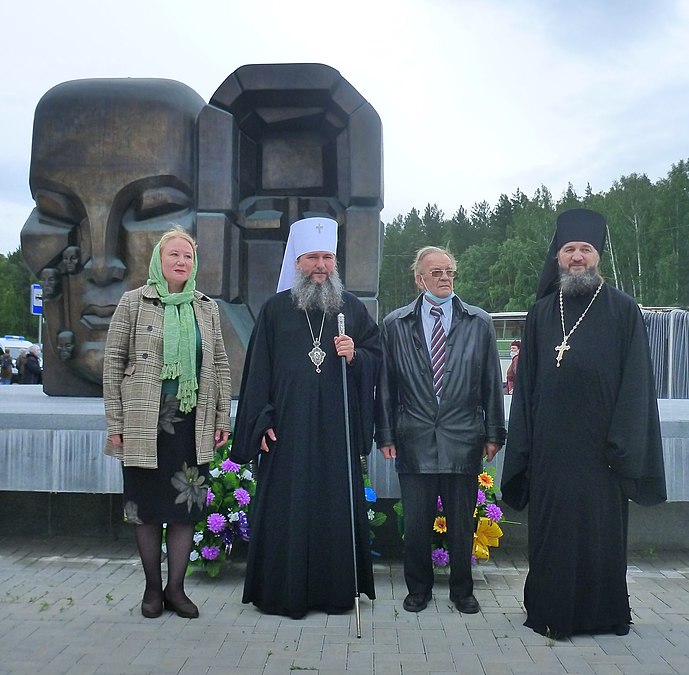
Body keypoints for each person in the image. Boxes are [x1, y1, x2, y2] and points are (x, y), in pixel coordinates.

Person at [500, 208, 666, 639]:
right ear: (557, 256)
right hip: (552, 451)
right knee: (553, 534)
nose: (577, 257)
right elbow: (527, 391)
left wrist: (623, 446)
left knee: (599, 537)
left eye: (585, 250)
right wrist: (525, 447)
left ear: (598, 257)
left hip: (602, 452)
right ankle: (550, 611)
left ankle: (603, 614)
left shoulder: (624, 311)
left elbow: (636, 385)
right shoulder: (540, 313)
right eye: (569, 249)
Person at [230, 216, 381, 619]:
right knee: (288, 508)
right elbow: (258, 372)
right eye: (312, 257)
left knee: (333, 507)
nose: (321, 266)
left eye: (327, 257)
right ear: (297, 262)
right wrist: (261, 422)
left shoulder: (352, 309)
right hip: (288, 432)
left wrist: (356, 355)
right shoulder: (276, 310)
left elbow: (377, 357)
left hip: (336, 431)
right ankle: (283, 592)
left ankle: (334, 593)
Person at [103, 226, 232, 619]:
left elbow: (221, 364)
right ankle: (152, 589)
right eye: (173, 254)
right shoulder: (133, 302)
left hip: (192, 419)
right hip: (145, 418)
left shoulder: (206, 307)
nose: (181, 262)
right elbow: (113, 364)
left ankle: (176, 589)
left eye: (188, 256)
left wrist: (222, 415)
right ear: (159, 259)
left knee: (184, 506)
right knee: (145, 507)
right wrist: (115, 422)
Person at [375, 246, 506, 614]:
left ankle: (463, 590)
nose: (445, 278)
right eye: (436, 272)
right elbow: (385, 385)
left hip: (463, 437)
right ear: (420, 280)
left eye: (450, 271)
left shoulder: (478, 321)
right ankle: (418, 589)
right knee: (415, 524)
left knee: (462, 524)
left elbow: (491, 381)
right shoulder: (395, 324)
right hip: (413, 437)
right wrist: (385, 434)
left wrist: (494, 432)